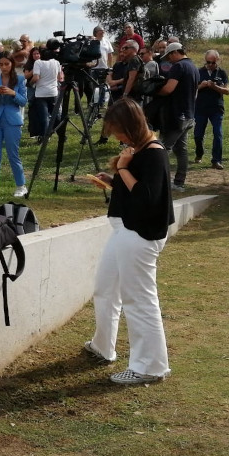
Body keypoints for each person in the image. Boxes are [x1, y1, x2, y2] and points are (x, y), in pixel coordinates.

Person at [85, 97, 174, 385]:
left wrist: (123, 169)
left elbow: (147, 198)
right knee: (105, 288)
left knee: (139, 299)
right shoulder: (140, 151)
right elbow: (137, 191)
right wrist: (113, 181)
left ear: (132, 126)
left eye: (119, 131)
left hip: (139, 234)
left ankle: (150, 366)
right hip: (125, 230)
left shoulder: (153, 153)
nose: (118, 137)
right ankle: (103, 345)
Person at [154, 43, 199, 192]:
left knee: (162, 148)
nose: (169, 60)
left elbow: (168, 89)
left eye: (169, 57)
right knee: (181, 150)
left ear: (174, 53)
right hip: (189, 115)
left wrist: (153, 91)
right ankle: (179, 182)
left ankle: (158, 182)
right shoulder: (194, 67)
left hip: (177, 115)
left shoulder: (178, 67)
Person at [0, 53, 27, 199]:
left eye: (6, 64)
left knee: (13, 155)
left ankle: (21, 186)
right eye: (1, 64)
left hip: (12, 121)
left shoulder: (20, 80)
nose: (3, 67)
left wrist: (12, 93)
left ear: (12, 64)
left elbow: (23, 101)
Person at [193, 50, 229, 170]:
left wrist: (215, 87)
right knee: (198, 135)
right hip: (201, 108)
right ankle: (199, 153)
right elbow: (192, 90)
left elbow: (227, 91)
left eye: (213, 62)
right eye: (208, 62)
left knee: (218, 134)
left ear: (217, 61)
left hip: (216, 108)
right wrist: (202, 86)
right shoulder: (198, 72)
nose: (210, 65)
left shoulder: (222, 73)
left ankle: (216, 160)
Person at [26, 44, 62, 143]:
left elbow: (36, 77)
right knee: (56, 115)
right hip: (53, 92)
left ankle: (45, 137)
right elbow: (59, 77)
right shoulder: (56, 62)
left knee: (44, 116)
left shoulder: (38, 63)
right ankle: (61, 134)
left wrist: (30, 84)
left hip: (41, 93)